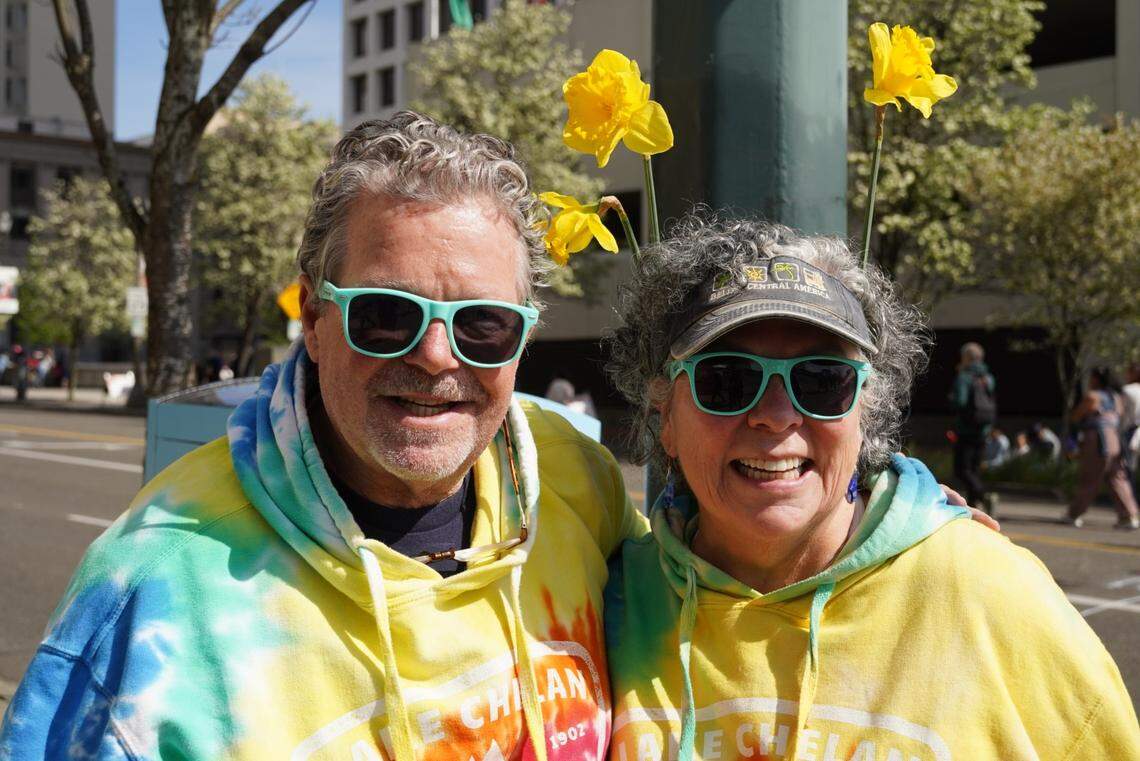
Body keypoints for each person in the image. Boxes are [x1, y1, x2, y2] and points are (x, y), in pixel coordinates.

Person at [0, 112, 643, 760]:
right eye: (386, 315)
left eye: (484, 325)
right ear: (313, 316)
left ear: (523, 337)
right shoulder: (152, 589)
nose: (436, 355)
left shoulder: (577, 483)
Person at [603, 216, 1140, 760]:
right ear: (664, 415)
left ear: (867, 411)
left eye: (821, 381)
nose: (776, 416)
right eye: (726, 379)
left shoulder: (990, 592)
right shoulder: (611, 602)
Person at [1067, 366, 1140, 530]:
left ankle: (1074, 513)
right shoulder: (1116, 398)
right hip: (1116, 439)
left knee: (1090, 477)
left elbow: (1076, 416)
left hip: (1098, 441)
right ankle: (1129, 515)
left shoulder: (1093, 397)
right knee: (1118, 478)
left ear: (1095, 379)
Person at [949, 341, 997, 514]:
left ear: (966, 358)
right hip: (983, 430)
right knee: (974, 469)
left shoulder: (965, 376)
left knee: (962, 469)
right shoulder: (988, 378)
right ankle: (973, 508)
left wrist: (952, 397)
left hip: (966, 430)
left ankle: (983, 496)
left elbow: (959, 402)